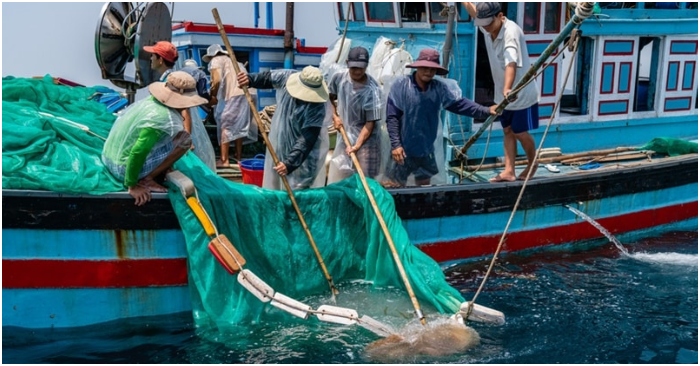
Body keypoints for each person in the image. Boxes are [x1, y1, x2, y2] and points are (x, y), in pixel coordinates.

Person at [384, 48, 498, 187]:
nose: (428, 72)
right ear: (418, 66)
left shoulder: (439, 88)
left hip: (426, 149)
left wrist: (486, 110)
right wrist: (396, 145)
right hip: (403, 149)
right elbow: (392, 117)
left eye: (432, 69)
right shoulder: (401, 86)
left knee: (424, 187)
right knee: (394, 186)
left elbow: (460, 104)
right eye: (425, 68)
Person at [102, 71, 207, 206]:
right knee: (185, 140)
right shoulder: (162, 117)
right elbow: (138, 151)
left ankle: (157, 170)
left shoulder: (150, 102)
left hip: (108, 158)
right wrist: (132, 185)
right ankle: (147, 179)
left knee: (176, 137)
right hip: (121, 169)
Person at [463, 2, 541, 182]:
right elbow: (474, 11)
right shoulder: (488, 25)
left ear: (500, 16)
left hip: (521, 94)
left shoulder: (510, 33)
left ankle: (532, 163)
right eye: (483, 24)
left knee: (520, 132)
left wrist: (507, 88)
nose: (486, 27)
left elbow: (511, 64)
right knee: (507, 130)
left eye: (489, 23)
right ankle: (509, 170)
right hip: (503, 95)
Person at [236, 66, 330, 191]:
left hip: (304, 156)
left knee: (299, 189)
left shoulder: (317, 107)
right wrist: (249, 79)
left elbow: (307, 138)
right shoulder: (286, 77)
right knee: (275, 185)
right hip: (280, 142)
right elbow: (266, 78)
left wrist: (290, 163)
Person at [327, 46, 385, 184]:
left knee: (365, 179)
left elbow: (370, 123)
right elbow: (329, 97)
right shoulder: (339, 78)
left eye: (361, 68)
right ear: (347, 63)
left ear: (366, 66)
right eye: (354, 67)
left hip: (367, 139)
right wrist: (335, 116)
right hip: (345, 133)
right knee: (342, 174)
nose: (357, 71)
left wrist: (357, 145)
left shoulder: (373, 90)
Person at [203, 44, 257, 168]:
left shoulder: (216, 60)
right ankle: (238, 156)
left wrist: (213, 96)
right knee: (238, 125)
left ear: (212, 56)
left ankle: (224, 160)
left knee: (225, 125)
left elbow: (216, 81)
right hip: (246, 94)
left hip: (234, 95)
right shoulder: (237, 63)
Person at [179, 58, 217, 171]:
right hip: (190, 107)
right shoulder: (199, 73)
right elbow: (202, 93)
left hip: (178, 106)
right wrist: (211, 102)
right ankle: (199, 161)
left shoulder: (178, 74)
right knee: (195, 134)